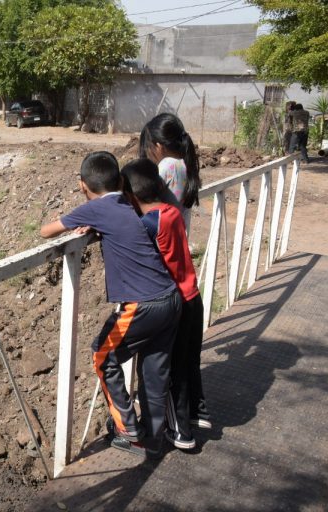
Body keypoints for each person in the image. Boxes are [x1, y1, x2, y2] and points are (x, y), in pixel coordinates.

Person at [40, 151, 181, 458]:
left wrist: (88, 221)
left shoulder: (96, 208)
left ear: (82, 185)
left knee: (102, 355)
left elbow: (46, 231)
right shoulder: (126, 203)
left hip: (142, 305)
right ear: (120, 182)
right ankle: (153, 437)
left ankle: (128, 429)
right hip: (170, 299)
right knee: (155, 371)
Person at [121, 158, 212, 451]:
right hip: (193, 298)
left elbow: (127, 239)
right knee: (185, 363)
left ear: (131, 196)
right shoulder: (171, 212)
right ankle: (192, 418)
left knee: (169, 369)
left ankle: (180, 432)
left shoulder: (149, 223)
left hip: (175, 306)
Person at [138, 113, 201, 234]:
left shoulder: (168, 165)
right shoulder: (184, 163)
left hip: (161, 241)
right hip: (176, 239)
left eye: (147, 147)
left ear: (158, 146)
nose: (147, 153)